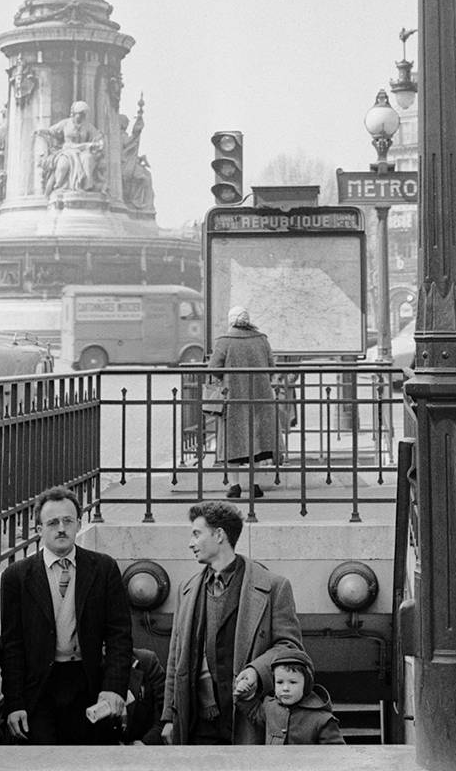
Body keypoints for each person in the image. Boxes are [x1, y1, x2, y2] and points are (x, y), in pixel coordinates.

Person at [160, 500, 304, 746]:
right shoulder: (187, 590)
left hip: (248, 718)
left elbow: (290, 648)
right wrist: (169, 718)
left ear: (219, 535)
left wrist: (256, 671)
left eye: (197, 534)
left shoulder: (274, 587)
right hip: (197, 722)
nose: (190, 543)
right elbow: (175, 660)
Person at [0, 487, 132, 745]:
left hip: (89, 685)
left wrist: (114, 687)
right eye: (52, 522)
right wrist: (14, 702)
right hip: (40, 690)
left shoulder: (103, 568)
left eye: (68, 521)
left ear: (78, 524)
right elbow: (12, 645)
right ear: (39, 530)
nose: (61, 528)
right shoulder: (17, 576)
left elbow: (120, 634)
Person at [209, 305, 279, 498]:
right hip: (259, 397)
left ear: (231, 321)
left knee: (232, 442)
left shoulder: (224, 341)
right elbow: (272, 367)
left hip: (234, 398)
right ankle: (255, 485)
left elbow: (213, 367)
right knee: (255, 441)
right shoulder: (262, 340)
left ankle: (234, 486)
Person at [240, 648, 345, 745]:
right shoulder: (270, 707)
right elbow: (254, 712)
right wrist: (243, 694)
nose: (285, 688)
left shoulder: (322, 719)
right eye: (280, 682)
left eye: (293, 682)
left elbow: (336, 754)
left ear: (307, 684)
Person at [37, 101, 105, 195]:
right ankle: (58, 185)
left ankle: (87, 186)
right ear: (74, 113)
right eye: (80, 114)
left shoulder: (87, 125)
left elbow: (97, 136)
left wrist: (100, 143)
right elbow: (51, 131)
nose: (82, 116)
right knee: (63, 164)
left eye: (84, 114)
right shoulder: (65, 123)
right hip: (67, 151)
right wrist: (42, 132)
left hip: (82, 151)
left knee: (88, 158)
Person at [119, 648, 167, 745]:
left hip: (144, 749)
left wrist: (145, 744)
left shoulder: (147, 662)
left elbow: (165, 716)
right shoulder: (87, 670)